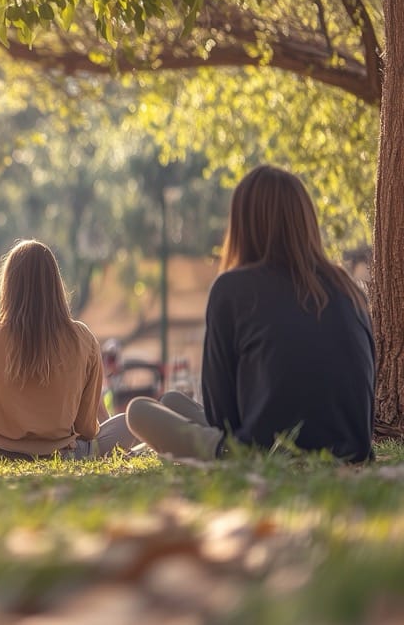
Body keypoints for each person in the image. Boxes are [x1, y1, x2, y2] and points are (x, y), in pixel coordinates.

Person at [126, 166, 374, 463]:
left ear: (243, 223)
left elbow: (222, 418)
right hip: (352, 448)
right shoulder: (347, 287)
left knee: (138, 412)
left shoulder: (233, 288)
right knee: (171, 401)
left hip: (262, 453)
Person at [0, 240, 138, 461]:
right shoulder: (82, 337)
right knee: (128, 422)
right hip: (64, 455)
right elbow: (87, 428)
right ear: (55, 284)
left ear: (7, 283)